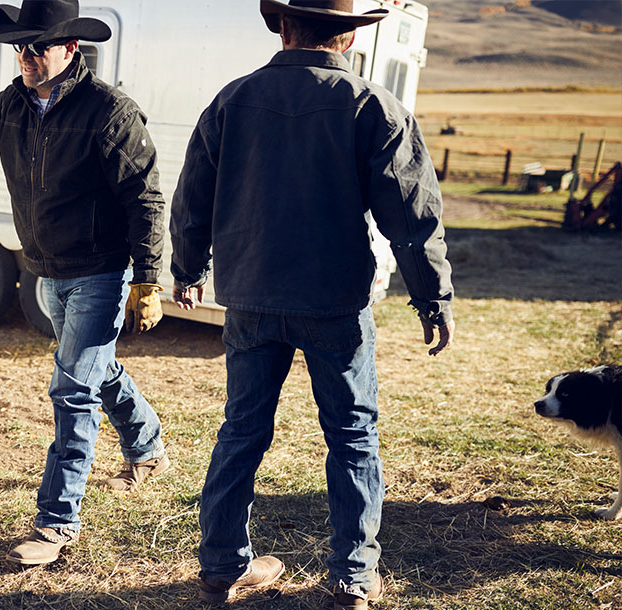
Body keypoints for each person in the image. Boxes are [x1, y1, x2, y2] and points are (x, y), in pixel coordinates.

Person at [169, 1, 455, 607]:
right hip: (333, 301)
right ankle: (352, 577)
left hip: (249, 297)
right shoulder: (372, 105)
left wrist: (188, 269)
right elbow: (410, 214)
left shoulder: (231, 101)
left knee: (242, 429)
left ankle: (222, 565)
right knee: (352, 435)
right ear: (349, 37)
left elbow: (192, 196)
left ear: (283, 27)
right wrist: (433, 296)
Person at [0, 0, 170, 566]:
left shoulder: (109, 111)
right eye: (20, 47)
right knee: (92, 369)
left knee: (72, 389)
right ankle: (148, 444)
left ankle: (58, 522)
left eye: (38, 47)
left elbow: (146, 199)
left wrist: (148, 281)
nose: (26, 57)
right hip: (45, 268)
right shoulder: (12, 103)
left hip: (102, 271)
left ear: (71, 49)